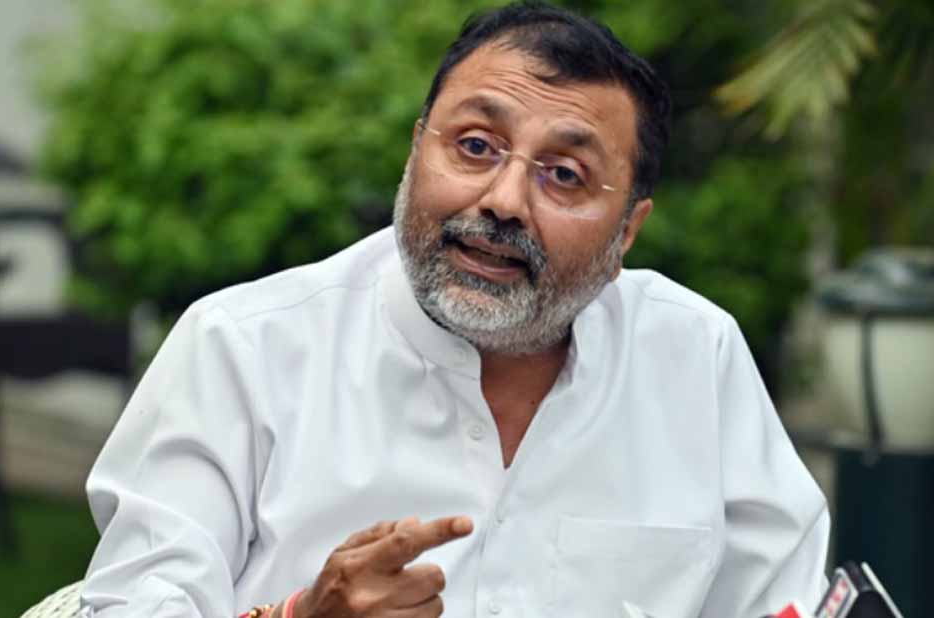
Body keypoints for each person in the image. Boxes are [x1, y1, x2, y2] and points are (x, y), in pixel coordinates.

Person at [79, 3, 830, 617]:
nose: (504, 201)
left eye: (565, 175)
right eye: (474, 146)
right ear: (416, 153)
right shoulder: (241, 348)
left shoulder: (695, 356)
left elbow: (781, 603)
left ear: (626, 233)